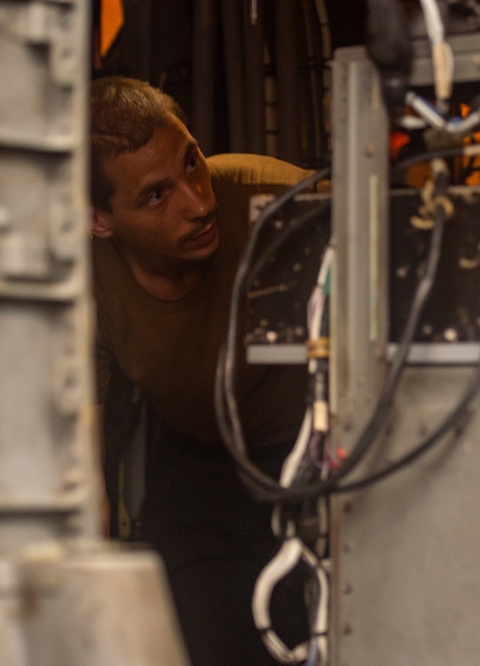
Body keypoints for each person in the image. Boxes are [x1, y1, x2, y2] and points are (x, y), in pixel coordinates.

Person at [89, 75, 312, 666]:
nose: (198, 200)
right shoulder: (84, 282)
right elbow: (84, 472)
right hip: (199, 457)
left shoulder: (274, 199)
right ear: (99, 220)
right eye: (156, 196)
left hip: (313, 449)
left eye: (192, 161)